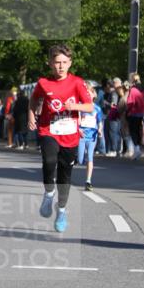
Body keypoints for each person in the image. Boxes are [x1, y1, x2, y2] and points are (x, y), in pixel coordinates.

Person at [28, 44, 93, 234]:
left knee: (65, 175)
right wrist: (32, 116)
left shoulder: (77, 83)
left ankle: (62, 210)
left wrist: (74, 106)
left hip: (70, 135)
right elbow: (34, 100)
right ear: (50, 63)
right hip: (48, 130)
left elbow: (89, 106)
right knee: (49, 160)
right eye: (57, 62)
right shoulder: (43, 83)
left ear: (70, 63)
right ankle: (49, 194)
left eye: (64, 62)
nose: (61, 66)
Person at [77, 85, 103, 191]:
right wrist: (79, 129)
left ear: (94, 95)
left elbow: (100, 122)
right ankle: (76, 158)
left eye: (90, 93)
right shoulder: (81, 106)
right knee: (80, 159)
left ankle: (88, 181)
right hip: (82, 134)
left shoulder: (97, 108)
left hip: (92, 135)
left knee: (90, 157)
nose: (88, 94)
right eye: (86, 93)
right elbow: (77, 119)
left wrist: (100, 129)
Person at [125, 74, 144, 160]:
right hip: (140, 114)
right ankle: (137, 151)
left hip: (133, 113)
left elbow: (130, 103)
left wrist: (128, 111)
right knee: (137, 132)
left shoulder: (133, 90)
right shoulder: (142, 90)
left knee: (132, 132)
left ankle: (137, 150)